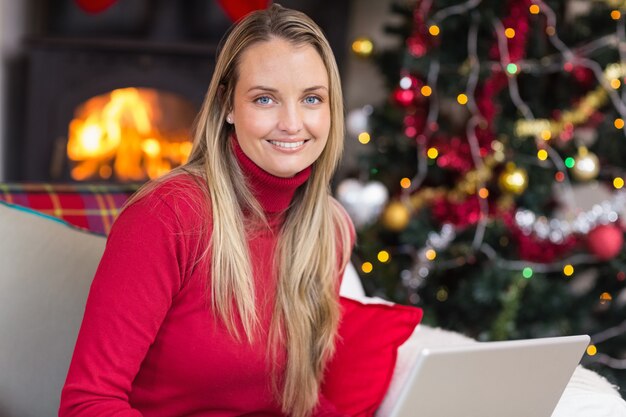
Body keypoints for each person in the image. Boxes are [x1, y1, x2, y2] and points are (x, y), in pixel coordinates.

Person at [59, 4, 354, 417]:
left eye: (311, 98)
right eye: (265, 98)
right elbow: (87, 403)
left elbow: (302, 401)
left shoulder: (330, 229)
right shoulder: (166, 217)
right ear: (228, 105)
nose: (292, 123)